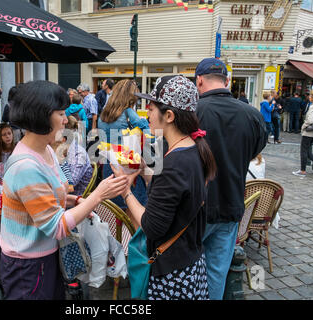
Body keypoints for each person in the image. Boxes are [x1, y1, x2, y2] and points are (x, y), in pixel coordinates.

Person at [0, 80, 128, 300]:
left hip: (46, 255)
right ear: (41, 117)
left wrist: (76, 201)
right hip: (27, 265)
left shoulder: (47, 150)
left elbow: (53, 196)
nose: (66, 119)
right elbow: (56, 226)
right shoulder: (26, 167)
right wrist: (97, 195)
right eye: (60, 113)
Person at [112, 75, 216, 300]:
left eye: (150, 108)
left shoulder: (174, 163)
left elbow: (151, 226)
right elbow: (172, 199)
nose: (146, 113)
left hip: (172, 274)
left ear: (169, 115)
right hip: (190, 262)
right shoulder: (193, 148)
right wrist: (144, 170)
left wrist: (125, 190)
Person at [194, 57, 267, 300]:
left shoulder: (191, 113)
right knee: (217, 272)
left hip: (196, 207)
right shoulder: (252, 115)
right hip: (231, 203)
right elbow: (255, 150)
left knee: (184, 268)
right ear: (227, 81)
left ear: (199, 80)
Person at [98, 79, 150, 227]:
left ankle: (118, 243)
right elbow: (148, 131)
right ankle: (131, 245)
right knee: (134, 210)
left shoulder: (104, 114)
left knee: (114, 213)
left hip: (110, 165)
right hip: (128, 165)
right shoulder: (128, 113)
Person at [292, 89, 313, 178]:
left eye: (311, 96)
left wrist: (303, 127)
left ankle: (303, 170)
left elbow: (310, 120)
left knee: (303, 150)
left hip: (309, 132)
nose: (309, 97)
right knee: (307, 150)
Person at [64, 116, 93, 196]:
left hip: (75, 200)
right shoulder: (65, 150)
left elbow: (70, 186)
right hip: (66, 196)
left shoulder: (78, 155)